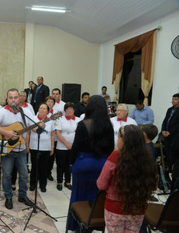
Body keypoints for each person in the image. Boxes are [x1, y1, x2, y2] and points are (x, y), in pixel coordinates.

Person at [97, 125, 157, 233]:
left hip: (115, 208)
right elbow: (153, 185)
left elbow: (101, 184)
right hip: (137, 208)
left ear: (124, 140)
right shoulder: (147, 158)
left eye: (119, 137)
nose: (117, 140)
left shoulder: (115, 157)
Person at [67, 95, 114, 231]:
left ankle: (78, 225)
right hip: (100, 164)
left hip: (83, 163)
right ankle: (95, 224)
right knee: (97, 195)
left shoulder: (83, 124)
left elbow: (75, 147)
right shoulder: (108, 125)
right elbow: (110, 149)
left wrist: (71, 163)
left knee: (78, 195)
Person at [0, 88, 33, 210]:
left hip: (21, 149)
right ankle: (8, 196)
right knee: (7, 175)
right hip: (7, 150)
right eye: (10, 98)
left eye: (15, 97)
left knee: (24, 175)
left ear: (19, 98)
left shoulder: (25, 112)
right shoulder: (2, 111)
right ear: (7, 99)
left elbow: (33, 126)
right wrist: (7, 133)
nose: (13, 100)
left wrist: (41, 124)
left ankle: (22, 196)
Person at [27, 103, 55, 192]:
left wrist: (52, 147)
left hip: (46, 147)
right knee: (35, 167)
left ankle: (43, 185)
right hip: (34, 146)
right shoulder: (33, 119)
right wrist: (27, 145)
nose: (42, 110)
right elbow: (29, 133)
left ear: (47, 111)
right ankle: (33, 184)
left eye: (44, 108)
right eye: (40, 108)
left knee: (44, 167)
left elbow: (52, 134)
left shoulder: (51, 120)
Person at [55, 102, 80, 191]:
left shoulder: (78, 120)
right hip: (61, 146)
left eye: (71, 109)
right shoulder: (60, 119)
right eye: (67, 109)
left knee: (69, 165)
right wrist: (66, 144)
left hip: (73, 147)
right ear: (65, 110)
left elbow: (79, 133)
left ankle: (68, 182)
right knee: (60, 165)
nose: (69, 111)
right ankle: (59, 182)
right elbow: (58, 133)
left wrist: (74, 145)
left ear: (74, 110)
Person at [161, 93, 179, 167]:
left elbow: (178, 124)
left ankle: (172, 167)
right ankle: (167, 166)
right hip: (166, 134)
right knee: (167, 150)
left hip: (175, 135)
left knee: (173, 152)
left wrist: (170, 132)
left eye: (175, 99)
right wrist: (163, 130)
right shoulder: (169, 109)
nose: (173, 101)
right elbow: (165, 120)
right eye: (172, 99)